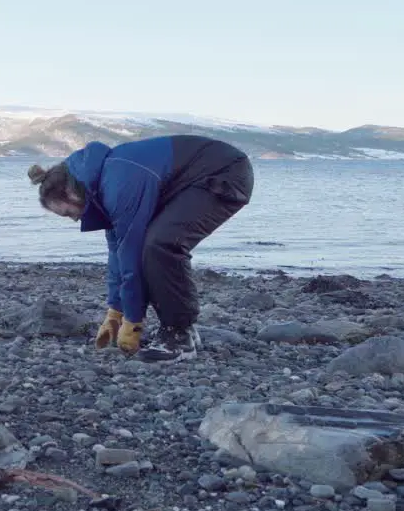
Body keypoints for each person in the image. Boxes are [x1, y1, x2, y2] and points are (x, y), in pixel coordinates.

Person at [28, 134, 254, 363]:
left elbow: (132, 257)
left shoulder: (120, 183)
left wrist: (133, 321)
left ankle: (179, 335)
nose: (74, 219)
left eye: (68, 213)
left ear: (71, 193)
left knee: (161, 244)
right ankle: (181, 328)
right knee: (153, 244)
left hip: (223, 172)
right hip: (194, 179)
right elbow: (118, 253)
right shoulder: (100, 186)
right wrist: (115, 312)